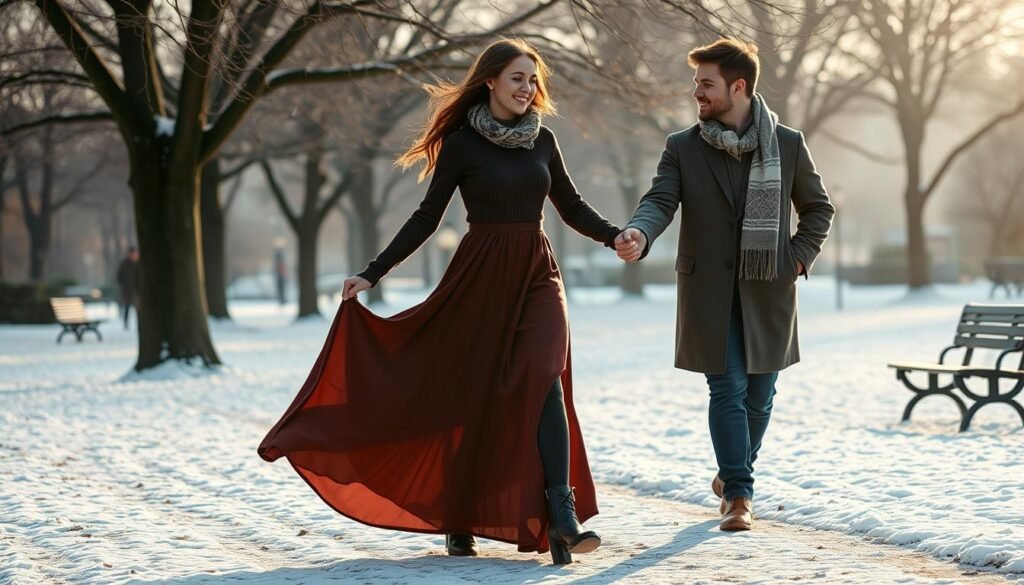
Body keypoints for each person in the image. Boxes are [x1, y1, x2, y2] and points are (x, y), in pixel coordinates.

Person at [258, 38, 618, 565]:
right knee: (468, 396)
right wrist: (372, 272)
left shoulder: (543, 141)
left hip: (538, 275)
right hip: (480, 278)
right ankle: (460, 514)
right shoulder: (463, 144)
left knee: (544, 376)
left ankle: (561, 514)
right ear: (491, 81)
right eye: (517, 78)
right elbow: (427, 217)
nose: (528, 88)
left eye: (533, 79)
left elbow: (570, 204)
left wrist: (615, 237)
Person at [614, 38, 834, 532]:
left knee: (761, 396)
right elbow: (659, 201)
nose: (697, 92)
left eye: (706, 83)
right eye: (696, 83)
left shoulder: (789, 144)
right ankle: (738, 495)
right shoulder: (682, 147)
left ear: (738, 87)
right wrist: (639, 231)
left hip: (769, 291)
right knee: (727, 388)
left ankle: (733, 471)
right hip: (708, 293)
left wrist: (797, 258)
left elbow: (819, 209)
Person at [116, 246, 140, 330]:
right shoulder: (124, 264)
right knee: (127, 308)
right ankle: (126, 324)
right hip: (127, 291)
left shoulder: (138, 264)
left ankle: (140, 325)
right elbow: (119, 277)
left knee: (138, 309)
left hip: (137, 291)